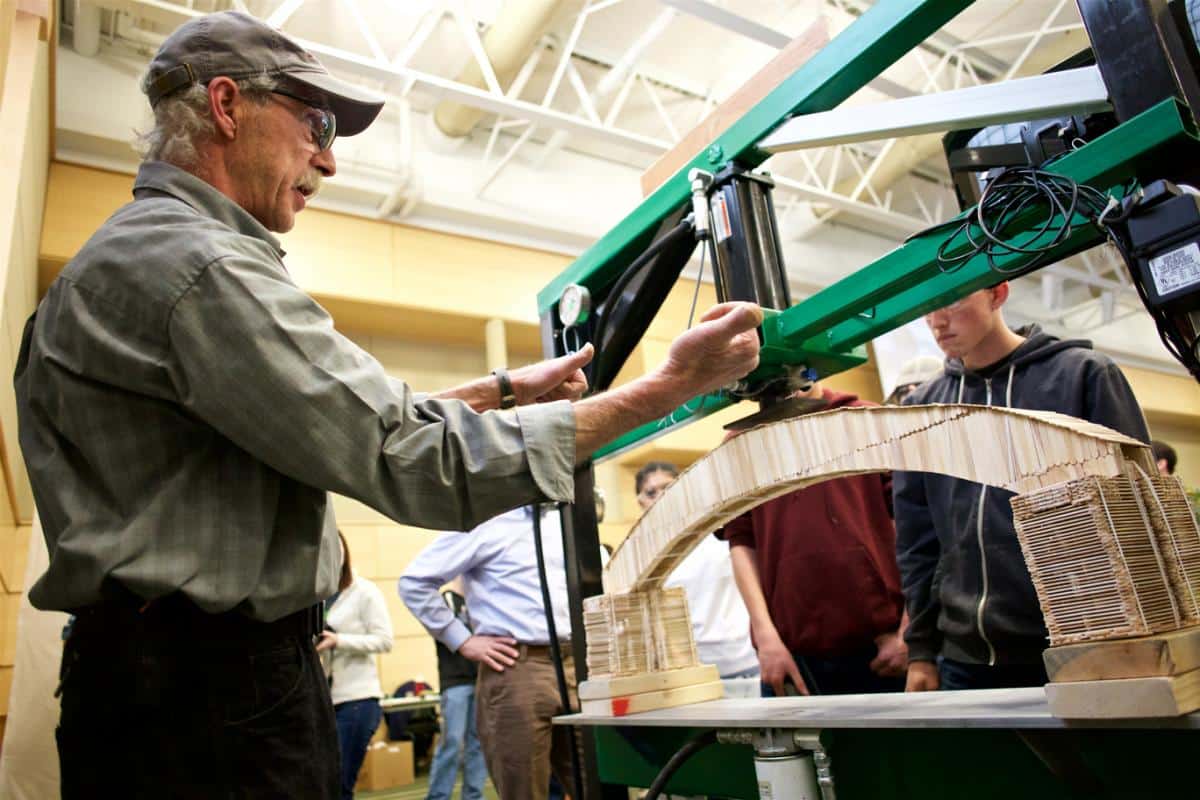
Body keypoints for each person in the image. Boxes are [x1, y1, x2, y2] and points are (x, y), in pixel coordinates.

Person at [16, 11, 763, 799]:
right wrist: (672, 389)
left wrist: (499, 392)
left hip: (161, 687)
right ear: (228, 107)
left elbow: (333, 424)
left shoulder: (134, 258)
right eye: (318, 124)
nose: (329, 161)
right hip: (211, 700)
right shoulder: (201, 268)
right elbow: (407, 455)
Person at [896, 281, 1150, 693]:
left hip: (1080, 649)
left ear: (997, 294)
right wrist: (921, 651)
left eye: (951, 300)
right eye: (927, 308)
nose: (937, 321)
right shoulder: (922, 411)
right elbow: (916, 541)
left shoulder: (1082, 375)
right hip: (965, 660)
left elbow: (1135, 519)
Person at [719, 382, 907, 696]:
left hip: (884, 648)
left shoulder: (865, 421)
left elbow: (913, 529)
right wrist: (765, 639)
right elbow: (741, 543)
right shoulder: (740, 446)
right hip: (792, 657)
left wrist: (910, 630)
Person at [400, 507, 580, 800]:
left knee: (598, 783)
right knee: (523, 790)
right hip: (518, 668)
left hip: (577, 663)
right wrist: (462, 640)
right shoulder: (484, 522)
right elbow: (414, 581)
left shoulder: (566, 521)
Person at [637, 462, 759, 679]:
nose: (662, 496)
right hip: (696, 674)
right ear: (641, 502)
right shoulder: (645, 560)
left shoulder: (721, 533)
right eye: (651, 492)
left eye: (669, 487)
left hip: (751, 661)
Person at [322, 532, 394, 800]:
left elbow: (385, 641)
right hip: (326, 701)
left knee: (340, 784)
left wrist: (338, 640)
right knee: (325, 784)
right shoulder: (319, 598)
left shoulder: (364, 591)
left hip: (358, 700)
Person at [424, 584, 486, 800]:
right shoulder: (447, 600)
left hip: (481, 680)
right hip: (455, 682)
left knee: (478, 743)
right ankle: (438, 796)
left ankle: (474, 795)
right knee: (451, 741)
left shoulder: (480, 600)